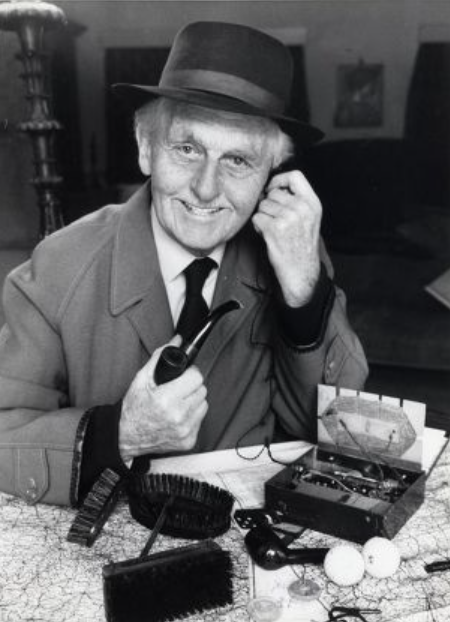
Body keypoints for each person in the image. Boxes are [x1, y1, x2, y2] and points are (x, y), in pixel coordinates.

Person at [0, 21, 368, 507]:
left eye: (238, 160)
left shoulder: (295, 251)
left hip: (243, 528)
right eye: (187, 148)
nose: (206, 188)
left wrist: (304, 296)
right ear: (146, 148)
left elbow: (342, 435)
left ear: (270, 174)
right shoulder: (58, 267)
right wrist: (119, 434)